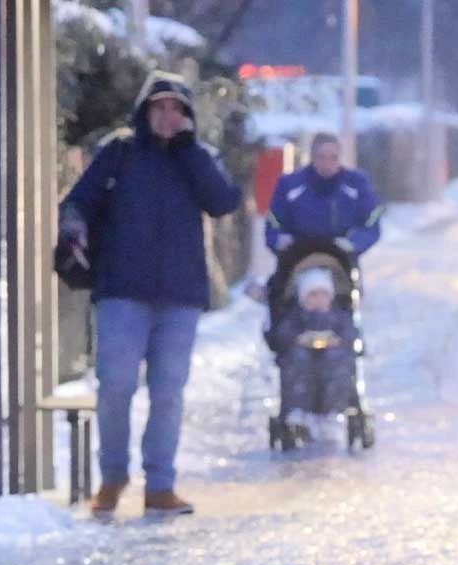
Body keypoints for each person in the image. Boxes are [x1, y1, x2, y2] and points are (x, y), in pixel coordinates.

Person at [59, 72, 242, 518]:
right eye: (158, 107)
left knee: (169, 392)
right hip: (121, 290)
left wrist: (190, 149)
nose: (166, 116)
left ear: (187, 115)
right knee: (115, 386)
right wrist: (73, 227)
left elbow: (223, 201)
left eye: (176, 109)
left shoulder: (198, 157)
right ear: (144, 111)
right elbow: (78, 200)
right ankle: (113, 475)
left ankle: (161, 484)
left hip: (180, 295)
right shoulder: (119, 153)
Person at [270, 266, 360, 433]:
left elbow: (350, 332)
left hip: (331, 355)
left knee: (340, 362)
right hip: (304, 355)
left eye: (323, 294)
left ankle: (334, 409)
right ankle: (298, 409)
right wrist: (297, 339)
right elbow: (283, 332)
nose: (318, 299)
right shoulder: (296, 316)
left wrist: (339, 340)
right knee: (296, 362)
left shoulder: (337, 316)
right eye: (313, 295)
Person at [266, 132, 382, 261]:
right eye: (321, 157)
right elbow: (273, 220)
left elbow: (372, 219)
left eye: (333, 158)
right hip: (297, 255)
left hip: (342, 256)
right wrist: (280, 240)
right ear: (312, 157)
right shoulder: (289, 184)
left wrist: (354, 242)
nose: (327, 164)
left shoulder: (356, 183)